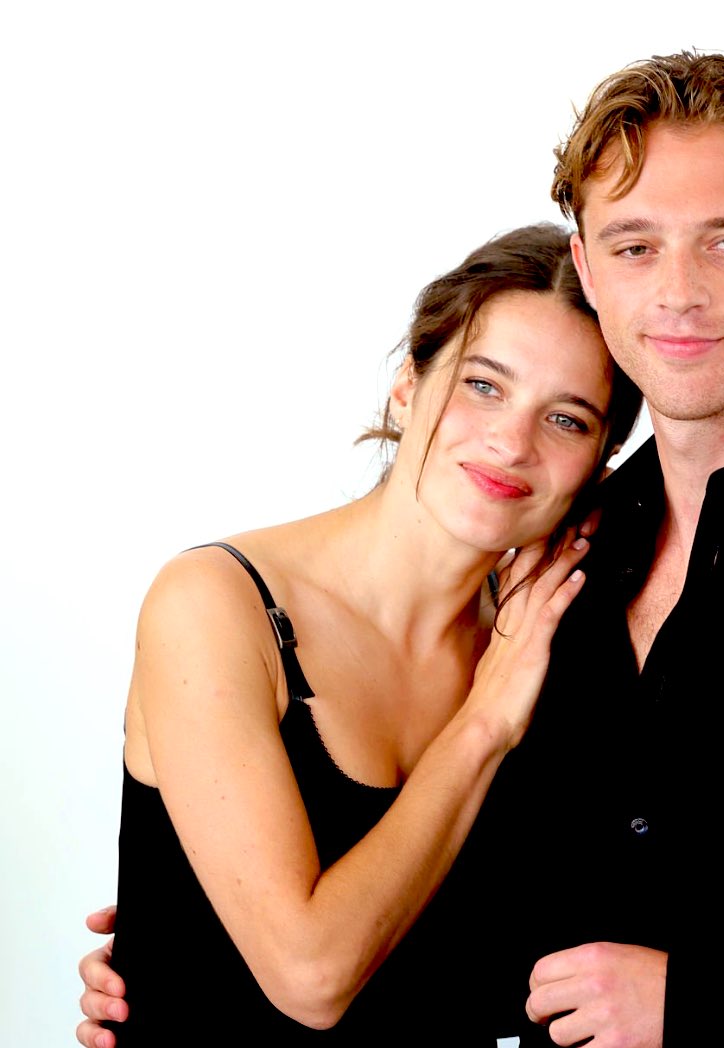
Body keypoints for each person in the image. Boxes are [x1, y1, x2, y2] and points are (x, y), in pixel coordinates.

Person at [80, 51, 724, 1046]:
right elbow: (471, 918)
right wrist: (189, 939)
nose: (678, 290)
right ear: (589, 268)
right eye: (637, 245)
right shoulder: (548, 573)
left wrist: (704, 1003)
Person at [75, 222, 641, 1045]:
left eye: (566, 419)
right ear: (408, 386)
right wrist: (484, 722)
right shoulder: (216, 604)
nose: (511, 442)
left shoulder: (550, 642)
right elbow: (311, 979)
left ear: (602, 462)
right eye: (484, 386)